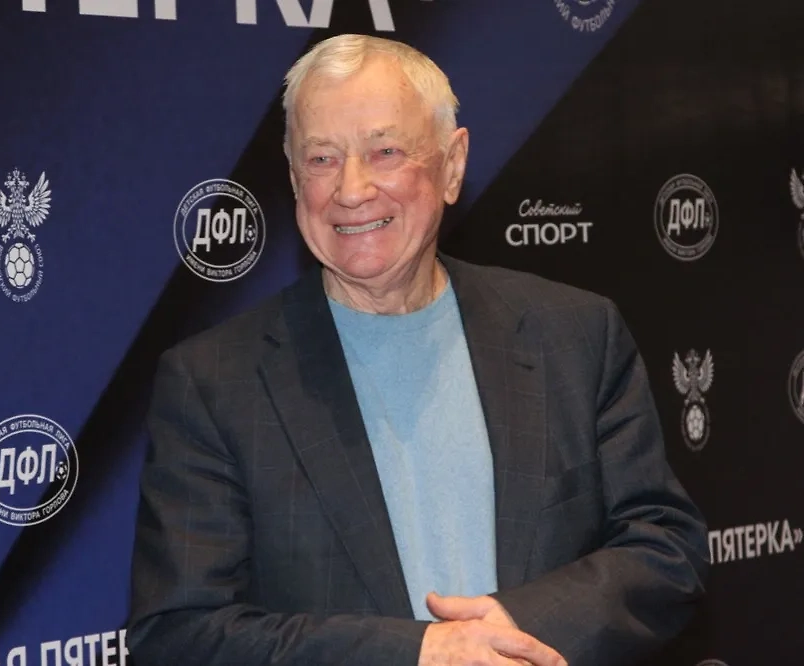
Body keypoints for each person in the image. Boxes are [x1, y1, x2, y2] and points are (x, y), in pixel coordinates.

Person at [127, 34, 709, 666]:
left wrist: (520, 626)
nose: (351, 189)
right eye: (321, 159)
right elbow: (180, 634)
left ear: (452, 166)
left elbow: (664, 548)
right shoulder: (214, 382)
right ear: (293, 179)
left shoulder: (574, 335)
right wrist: (418, 653)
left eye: (385, 151)